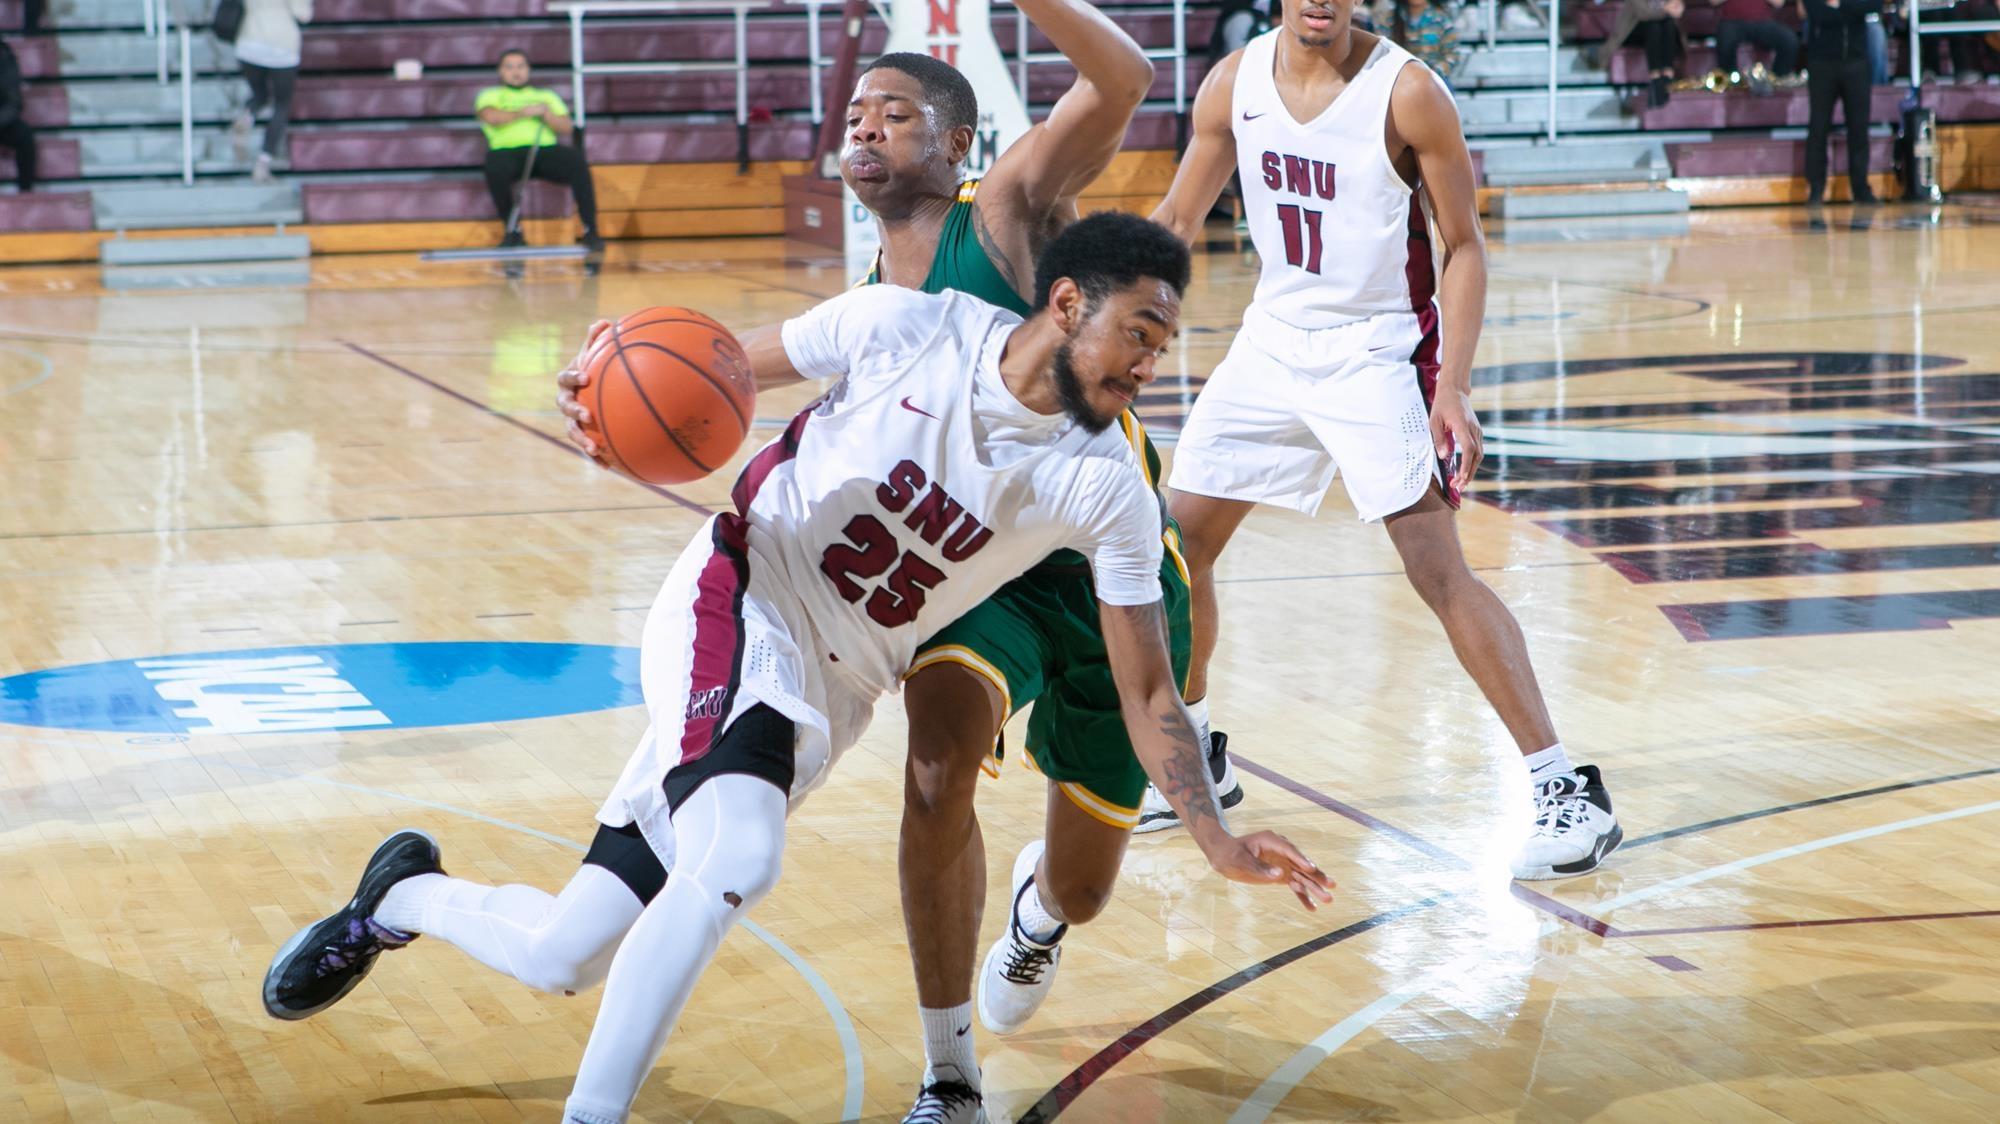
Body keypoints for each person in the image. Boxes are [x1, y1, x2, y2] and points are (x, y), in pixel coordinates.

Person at [262, 212, 1333, 1124]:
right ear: (1065, 304)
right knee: (742, 851)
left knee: (564, 952)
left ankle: (400, 895)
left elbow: (1146, 686)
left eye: (1162, 346)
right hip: (744, 597)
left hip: (835, 689)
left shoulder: (1105, 484)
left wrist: (1214, 835)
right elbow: (715, 365)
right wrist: (604, 381)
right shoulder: (905, 326)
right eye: (1137, 334)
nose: (1148, 366)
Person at [564, 15, 1242, 1120]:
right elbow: (726, 371)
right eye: (855, 114)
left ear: (957, 142)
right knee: (934, 765)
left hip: (1094, 561)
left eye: (895, 113)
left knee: (1083, 885)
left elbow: (1123, 75)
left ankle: (1038, 914)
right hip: (971, 573)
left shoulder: (1007, 210)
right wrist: (612, 390)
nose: (866, 128)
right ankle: (948, 1072)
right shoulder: (880, 292)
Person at [1143, 0, 1625, 882]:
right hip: (1271, 342)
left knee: (1439, 573)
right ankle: (1199, 748)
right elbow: (1177, 216)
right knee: (1179, 551)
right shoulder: (1233, 82)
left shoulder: (1408, 92)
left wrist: (1454, 385)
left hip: (1378, 351)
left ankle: (1566, 789)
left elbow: (1464, 246)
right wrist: (1111, 316)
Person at [476, 49, 602, 251]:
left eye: (520, 66)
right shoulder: (491, 95)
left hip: (543, 150)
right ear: (500, 71)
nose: (516, 72)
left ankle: (591, 230)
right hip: (506, 151)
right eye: (509, 67)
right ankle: (513, 231)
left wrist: (546, 114)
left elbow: (566, 127)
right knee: (495, 167)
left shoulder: (545, 96)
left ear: (528, 69)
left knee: (576, 162)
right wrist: (523, 112)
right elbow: (490, 117)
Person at [1802, 0, 1880, 204]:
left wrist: (1839, 4)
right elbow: (1815, 11)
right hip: (1822, 63)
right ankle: (1816, 189)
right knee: (1818, 127)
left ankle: (1860, 189)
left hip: (1856, 61)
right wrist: (1848, 10)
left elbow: (1873, 5)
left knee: (1859, 128)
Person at [230, 0, 311, 183]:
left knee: (260, 95)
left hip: (249, 41)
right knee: (282, 105)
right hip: (282, 45)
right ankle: (263, 162)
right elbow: (303, 15)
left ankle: (247, 117)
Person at [1601, 0, 1687, 108]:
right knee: (1653, 27)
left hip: (1661, 28)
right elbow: (1645, 14)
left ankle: (1667, 75)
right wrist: (1666, 8)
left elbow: (1677, 8)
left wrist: (1676, 7)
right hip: (1632, 30)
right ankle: (1655, 79)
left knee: (1668, 25)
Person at [1709, 0, 1800, 91]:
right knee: (1725, 38)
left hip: (1762, 21)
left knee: (1788, 40)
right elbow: (1713, 2)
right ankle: (1730, 81)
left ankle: (1777, 79)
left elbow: (1779, 3)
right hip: (1732, 21)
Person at [1390, 0, 1460, 88]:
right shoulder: (1391, 18)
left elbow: (1452, 54)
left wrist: (1432, 74)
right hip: (1401, 79)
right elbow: (1385, 52)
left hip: (1435, 79)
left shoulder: (1442, 18)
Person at [0, 40, 33, 194]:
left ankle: (25, 192)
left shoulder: (4, 56)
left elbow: (14, 103)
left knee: (24, 136)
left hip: (2, 121)